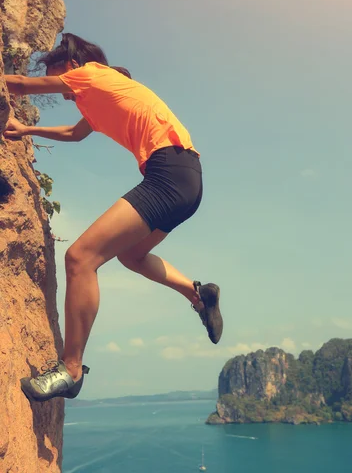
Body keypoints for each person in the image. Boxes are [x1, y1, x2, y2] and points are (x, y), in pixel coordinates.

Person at [3, 33, 223, 402]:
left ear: (71, 67)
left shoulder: (91, 73)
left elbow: (21, 85)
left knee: (80, 258)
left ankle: (70, 370)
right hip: (189, 179)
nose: (64, 93)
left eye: (61, 82)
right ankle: (199, 295)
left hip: (168, 173)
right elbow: (75, 134)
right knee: (130, 255)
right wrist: (27, 130)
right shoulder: (104, 93)